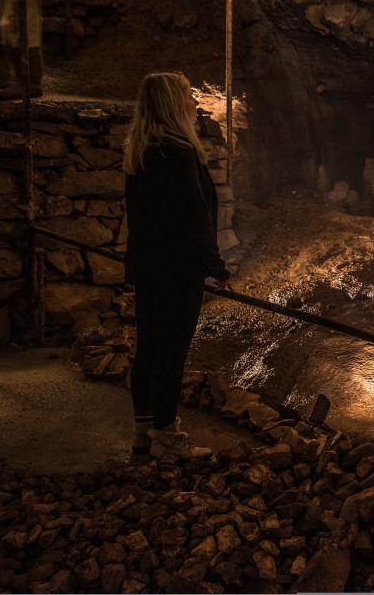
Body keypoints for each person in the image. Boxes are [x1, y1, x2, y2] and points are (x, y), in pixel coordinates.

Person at [123, 72, 230, 460]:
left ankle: (143, 432)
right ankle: (167, 440)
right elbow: (194, 217)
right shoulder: (180, 153)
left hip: (150, 267)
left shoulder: (142, 150)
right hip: (177, 270)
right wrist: (216, 268)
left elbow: (138, 218)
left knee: (149, 349)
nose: (194, 102)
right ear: (172, 104)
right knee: (171, 353)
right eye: (188, 95)